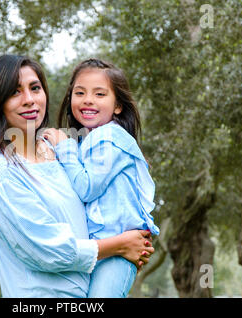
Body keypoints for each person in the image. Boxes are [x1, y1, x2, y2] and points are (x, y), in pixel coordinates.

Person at [0, 54, 154, 298]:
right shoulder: (1, 174)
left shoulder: (57, 151)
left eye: (35, 88)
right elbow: (48, 251)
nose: (29, 100)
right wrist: (120, 245)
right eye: (14, 92)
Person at [43, 58, 159, 298]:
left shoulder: (111, 138)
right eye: (80, 92)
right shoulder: (88, 141)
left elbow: (86, 188)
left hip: (119, 252)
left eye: (100, 94)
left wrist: (64, 148)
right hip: (101, 250)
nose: (88, 99)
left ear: (118, 106)